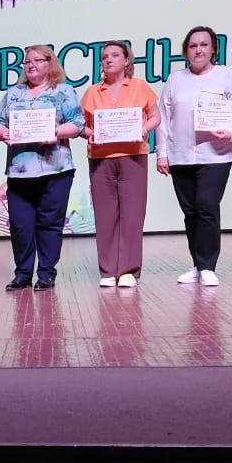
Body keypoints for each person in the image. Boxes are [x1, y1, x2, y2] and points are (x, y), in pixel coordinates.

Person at [0, 45, 84, 291]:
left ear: (50, 63)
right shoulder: (14, 93)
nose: (31, 65)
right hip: (20, 171)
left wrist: (56, 132)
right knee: (20, 225)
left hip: (55, 169)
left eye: (37, 60)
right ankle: (22, 274)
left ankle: (46, 273)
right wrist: (3, 133)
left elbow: (77, 122)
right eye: (27, 61)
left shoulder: (63, 91)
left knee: (50, 223)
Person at [157, 27, 232, 287]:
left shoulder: (226, 75)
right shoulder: (175, 79)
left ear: (213, 49)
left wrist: (231, 133)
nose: (198, 50)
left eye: (204, 45)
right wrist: (162, 153)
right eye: (193, 46)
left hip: (215, 154)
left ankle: (208, 266)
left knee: (207, 207)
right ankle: (197, 264)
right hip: (180, 154)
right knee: (190, 212)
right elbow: (163, 119)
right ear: (186, 51)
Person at [79, 41, 160, 288]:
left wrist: (144, 128)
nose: (108, 60)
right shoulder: (93, 91)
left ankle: (128, 271)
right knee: (105, 215)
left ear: (127, 60)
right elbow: (80, 125)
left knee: (132, 215)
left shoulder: (139, 86)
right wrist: (90, 133)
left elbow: (155, 116)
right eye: (104, 56)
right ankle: (107, 270)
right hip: (100, 157)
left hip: (133, 155)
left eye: (115, 55)